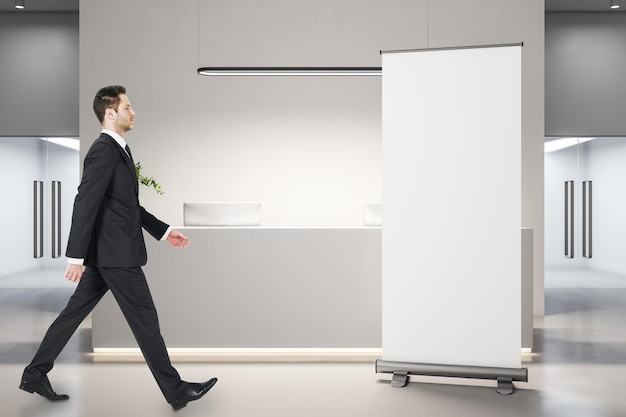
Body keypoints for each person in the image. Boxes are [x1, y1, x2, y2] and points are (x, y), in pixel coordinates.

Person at [19, 85, 216, 411]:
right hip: (116, 255)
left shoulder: (118, 150)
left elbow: (126, 207)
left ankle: (34, 374)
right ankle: (176, 390)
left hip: (107, 253)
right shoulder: (105, 150)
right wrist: (75, 256)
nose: (133, 111)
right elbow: (85, 201)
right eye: (127, 106)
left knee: (72, 314)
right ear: (110, 113)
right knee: (145, 319)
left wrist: (164, 231)